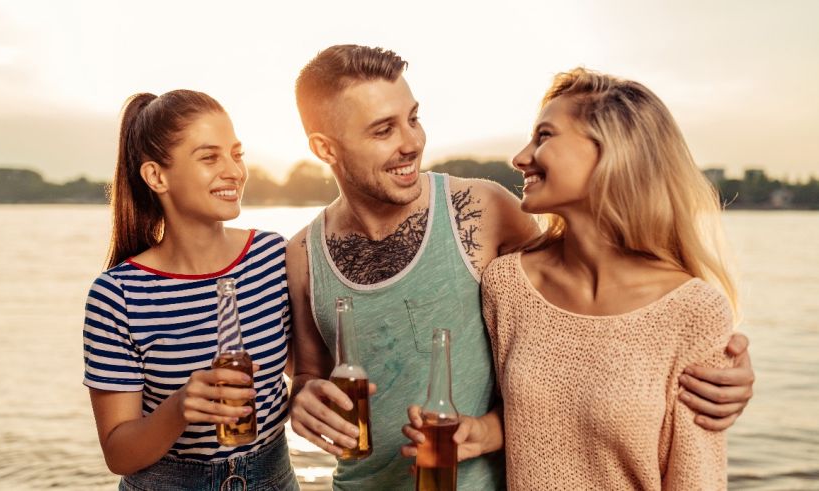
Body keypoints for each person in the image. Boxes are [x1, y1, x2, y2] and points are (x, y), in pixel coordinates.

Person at [286, 45, 754, 490]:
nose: (412, 143)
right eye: (383, 130)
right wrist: (300, 398)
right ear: (326, 149)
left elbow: (590, 331)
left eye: (413, 118)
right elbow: (309, 374)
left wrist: (720, 368)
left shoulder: (485, 210)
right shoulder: (304, 255)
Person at [404, 67, 740, 489]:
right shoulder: (508, 284)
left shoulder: (693, 310)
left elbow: (697, 478)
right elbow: (544, 419)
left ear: (612, 150)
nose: (520, 157)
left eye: (544, 136)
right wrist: (486, 431)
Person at [81, 90, 299, 490]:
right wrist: (180, 407)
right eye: (210, 157)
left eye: (237, 153)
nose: (234, 171)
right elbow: (119, 453)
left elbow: (302, 373)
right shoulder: (117, 296)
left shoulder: (272, 255)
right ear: (156, 176)